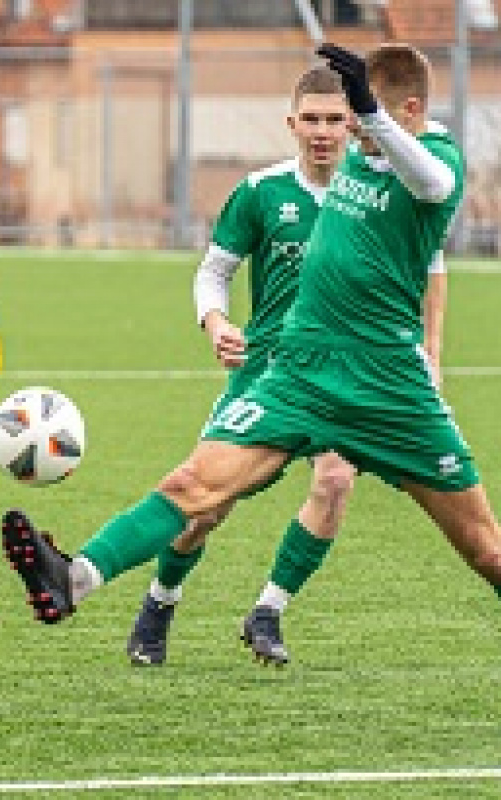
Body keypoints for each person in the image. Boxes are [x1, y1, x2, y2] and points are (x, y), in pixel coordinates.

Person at [2, 43, 501, 659]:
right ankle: (73, 579)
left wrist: (374, 115)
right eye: (335, 120)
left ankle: (268, 609)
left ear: (407, 112)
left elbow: (433, 183)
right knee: (194, 487)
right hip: (300, 372)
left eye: (356, 119)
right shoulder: (299, 177)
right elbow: (221, 267)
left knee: (486, 549)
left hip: (389, 388)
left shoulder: (436, 159)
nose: (345, 134)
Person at [124, 66, 448, 667]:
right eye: (312, 120)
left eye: (335, 119)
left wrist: (431, 352)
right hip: (267, 374)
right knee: (205, 509)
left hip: (344, 372)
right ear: (291, 123)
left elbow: (430, 269)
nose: (323, 132)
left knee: (334, 482)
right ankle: (160, 600)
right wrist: (217, 323)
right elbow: (213, 271)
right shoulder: (261, 193)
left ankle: (268, 610)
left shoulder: (381, 192)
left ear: (352, 123)